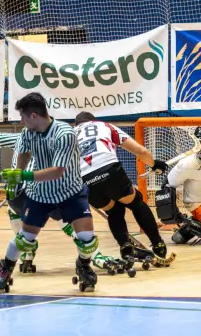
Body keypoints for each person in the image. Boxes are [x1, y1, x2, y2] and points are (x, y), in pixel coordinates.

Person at [0, 129, 128, 274]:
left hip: (23, 193)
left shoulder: (21, 137)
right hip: (52, 190)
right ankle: (96, 256)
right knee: (68, 219)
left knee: (15, 212)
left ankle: (27, 252)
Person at [0, 92, 101, 293]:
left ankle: (84, 266)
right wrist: (18, 173)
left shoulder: (64, 134)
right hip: (40, 195)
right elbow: (25, 152)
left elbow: (57, 171)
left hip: (71, 192)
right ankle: (5, 268)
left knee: (87, 238)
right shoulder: (28, 133)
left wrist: (24, 177)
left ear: (33, 115)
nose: (22, 121)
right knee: (24, 238)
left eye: (23, 117)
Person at [73, 111, 171, 264]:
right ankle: (158, 244)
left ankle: (125, 247)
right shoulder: (103, 125)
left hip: (83, 179)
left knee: (114, 209)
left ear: (76, 125)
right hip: (108, 168)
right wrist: (154, 164)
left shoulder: (69, 135)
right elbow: (141, 151)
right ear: (93, 120)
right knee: (136, 202)